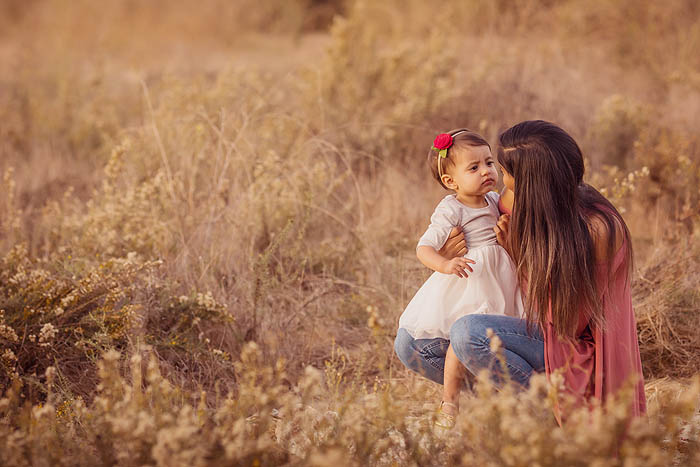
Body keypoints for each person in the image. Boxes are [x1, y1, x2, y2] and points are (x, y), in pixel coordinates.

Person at [447, 120, 646, 423]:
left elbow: (566, 322)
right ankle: (515, 412)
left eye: (506, 174)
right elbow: (476, 225)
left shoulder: (598, 229)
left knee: (467, 334)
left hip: (579, 352)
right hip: (543, 334)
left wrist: (518, 255)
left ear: (533, 183)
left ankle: (545, 418)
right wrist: (449, 249)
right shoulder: (521, 201)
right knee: (418, 346)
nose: (502, 182)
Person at [394, 128, 524, 429]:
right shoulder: (451, 208)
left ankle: (501, 401)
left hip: (500, 278)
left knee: (494, 341)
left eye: (489, 163)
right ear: (451, 182)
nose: (486, 171)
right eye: (474, 168)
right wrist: (445, 263)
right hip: (470, 279)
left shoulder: (494, 200)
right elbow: (424, 247)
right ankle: (450, 403)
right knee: (459, 340)